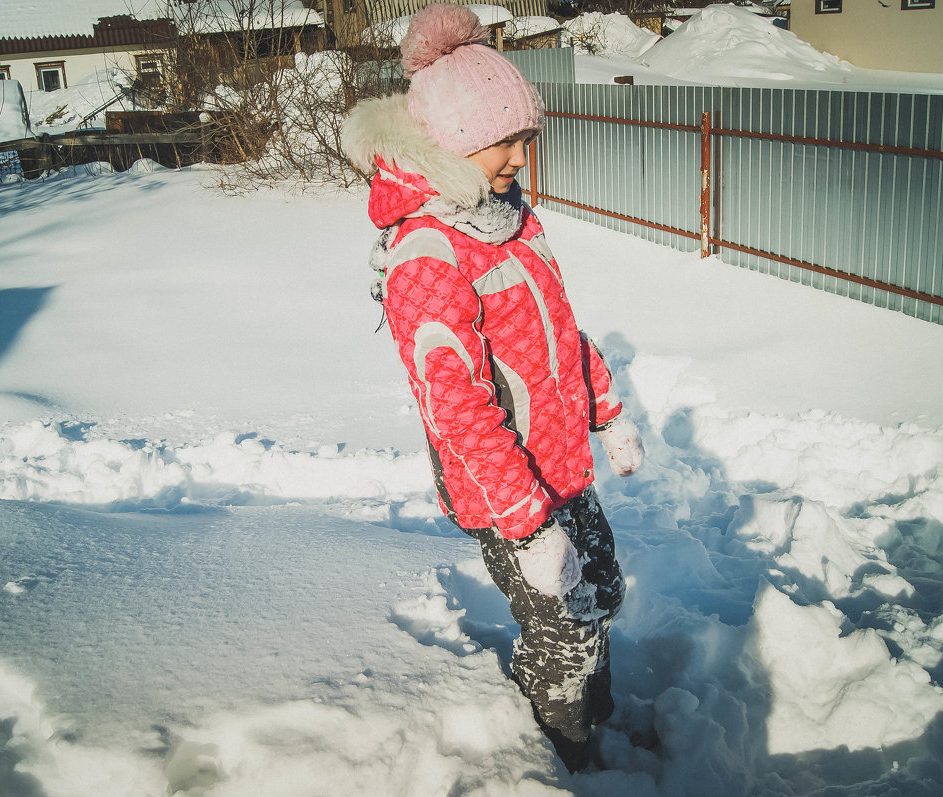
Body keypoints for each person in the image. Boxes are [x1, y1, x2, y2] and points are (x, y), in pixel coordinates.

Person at [341, 3, 645, 773]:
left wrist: (606, 410)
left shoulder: (511, 219)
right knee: (562, 626)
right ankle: (562, 749)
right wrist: (527, 525)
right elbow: (459, 409)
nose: (519, 158)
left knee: (600, 590)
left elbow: (560, 330)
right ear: (449, 145)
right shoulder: (428, 256)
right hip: (506, 490)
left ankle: (594, 713)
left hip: (562, 463)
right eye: (503, 142)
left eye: (524, 140)